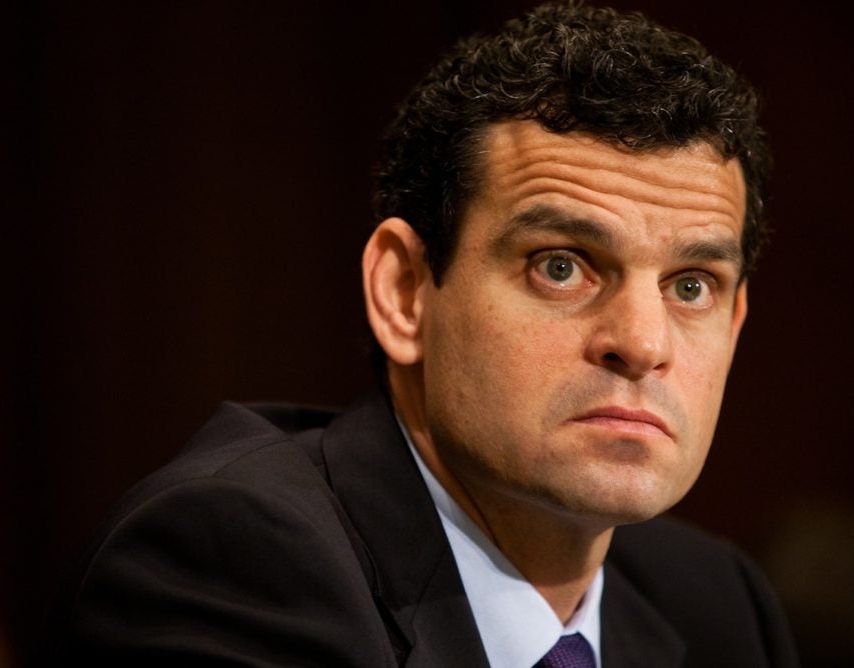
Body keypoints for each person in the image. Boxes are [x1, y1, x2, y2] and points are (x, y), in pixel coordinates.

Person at [48, 3, 799, 666]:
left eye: (691, 285)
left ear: (734, 324)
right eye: (561, 267)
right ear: (404, 292)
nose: (641, 342)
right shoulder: (232, 564)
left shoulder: (715, 603)